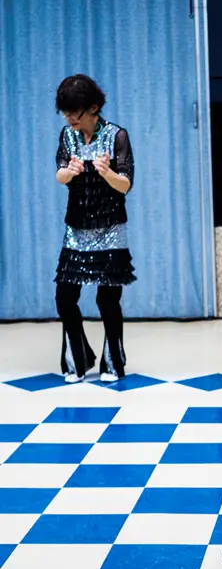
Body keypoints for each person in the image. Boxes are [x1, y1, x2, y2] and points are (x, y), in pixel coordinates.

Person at [54, 74, 135, 384]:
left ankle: (113, 363)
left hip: (111, 228)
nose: (70, 118)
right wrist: (69, 171)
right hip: (76, 228)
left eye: (74, 112)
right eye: (65, 112)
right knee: (65, 297)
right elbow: (60, 174)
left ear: (94, 108)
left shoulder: (117, 136)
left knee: (107, 300)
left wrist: (107, 172)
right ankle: (79, 359)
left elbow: (125, 184)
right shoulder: (67, 135)